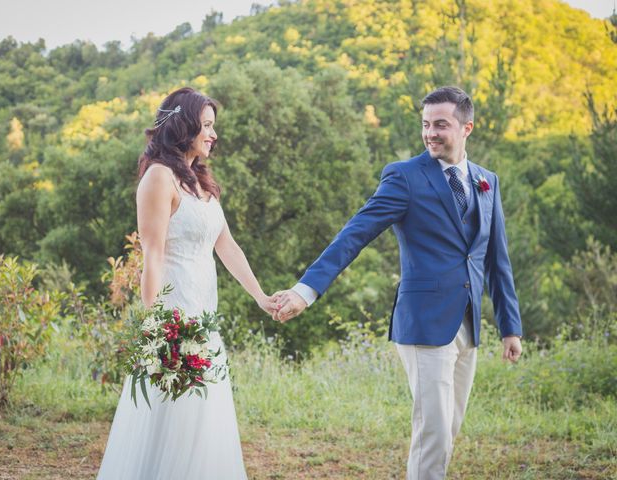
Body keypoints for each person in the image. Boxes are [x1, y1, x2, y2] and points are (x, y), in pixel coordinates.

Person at [273, 86, 523, 479]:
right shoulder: (405, 177)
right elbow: (354, 234)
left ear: (466, 128)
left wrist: (510, 327)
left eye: (441, 124)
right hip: (423, 323)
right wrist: (307, 290)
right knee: (434, 432)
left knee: (447, 430)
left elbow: (496, 260)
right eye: (426, 125)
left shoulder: (486, 181)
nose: (431, 133)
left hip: (468, 324)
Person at [97, 87, 275, 480]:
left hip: (204, 315)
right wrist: (159, 329)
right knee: (170, 413)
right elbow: (153, 255)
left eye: (214, 127)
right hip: (174, 319)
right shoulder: (159, 178)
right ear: (185, 125)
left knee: (203, 416)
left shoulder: (200, 182)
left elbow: (227, 246)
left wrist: (261, 297)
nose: (214, 135)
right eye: (207, 126)